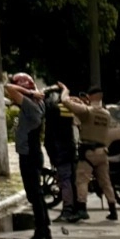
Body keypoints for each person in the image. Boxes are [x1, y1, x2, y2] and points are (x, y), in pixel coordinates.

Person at [58, 83, 117, 222]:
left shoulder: (87, 112)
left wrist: (65, 90)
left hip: (88, 152)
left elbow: (65, 101)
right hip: (102, 152)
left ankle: (82, 209)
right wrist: (82, 102)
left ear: (90, 97)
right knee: (105, 182)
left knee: (82, 180)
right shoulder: (106, 114)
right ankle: (113, 209)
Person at [4, 73, 49, 239]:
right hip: (34, 152)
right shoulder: (39, 103)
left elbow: (9, 88)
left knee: (34, 195)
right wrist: (31, 91)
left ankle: (41, 233)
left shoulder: (30, 104)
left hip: (29, 155)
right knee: (37, 194)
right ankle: (45, 229)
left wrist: (28, 92)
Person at [43, 84, 79, 222]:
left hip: (59, 150)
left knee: (65, 180)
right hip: (70, 148)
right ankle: (74, 208)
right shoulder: (67, 109)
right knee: (71, 179)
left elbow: (49, 136)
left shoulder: (52, 109)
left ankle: (67, 210)